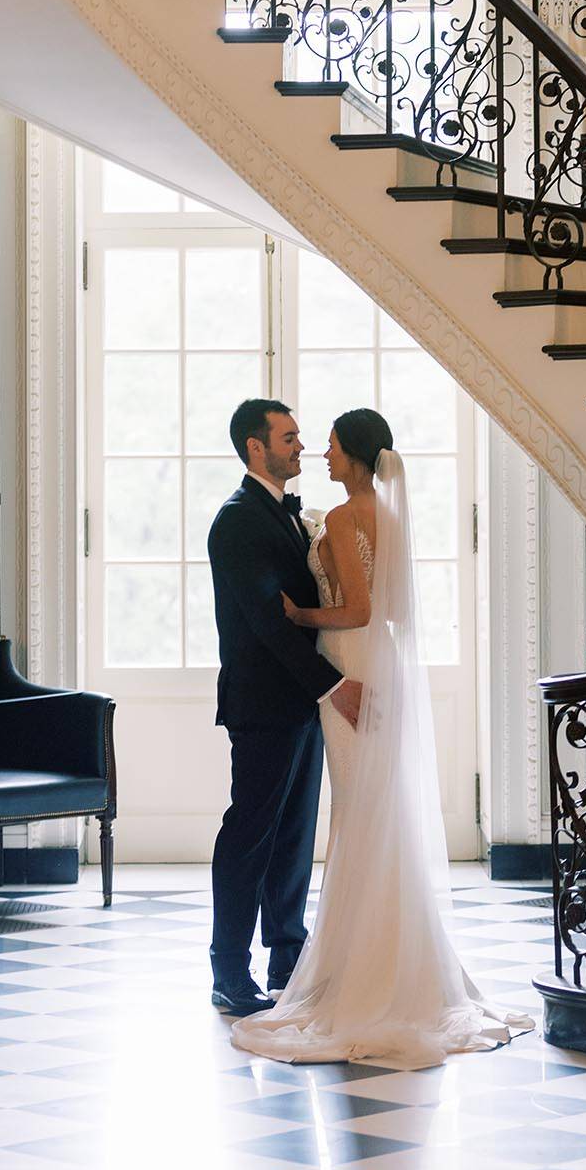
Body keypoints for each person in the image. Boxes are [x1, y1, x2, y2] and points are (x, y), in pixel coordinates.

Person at [232, 408, 535, 1069]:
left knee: (357, 811)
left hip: (347, 656)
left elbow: (359, 607)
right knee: (376, 808)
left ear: (359, 456)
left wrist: (299, 612)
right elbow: (389, 611)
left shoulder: (343, 518)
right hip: (378, 659)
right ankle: (387, 955)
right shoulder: (388, 517)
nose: (323, 455)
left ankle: (357, 966)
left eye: (334, 448)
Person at [207, 400, 363, 1019]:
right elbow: (269, 620)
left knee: (294, 838)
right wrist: (332, 685)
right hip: (265, 703)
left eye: (300, 437)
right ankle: (227, 969)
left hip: (301, 703)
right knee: (250, 835)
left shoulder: (291, 517)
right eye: (290, 437)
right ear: (256, 447)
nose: (301, 447)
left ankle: (287, 958)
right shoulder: (238, 520)